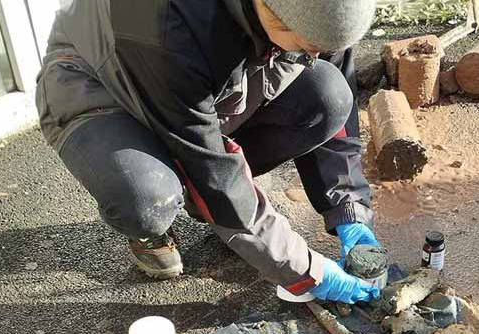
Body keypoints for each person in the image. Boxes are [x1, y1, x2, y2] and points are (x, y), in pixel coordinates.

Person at [35, 0, 382, 304]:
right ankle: (153, 224)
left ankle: (206, 205)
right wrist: (305, 271)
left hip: (200, 90)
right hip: (99, 87)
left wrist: (347, 207)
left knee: (328, 96)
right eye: (308, 47)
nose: (317, 56)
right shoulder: (166, 26)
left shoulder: (319, 14)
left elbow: (334, 99)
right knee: (146, 198)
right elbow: (208, 163)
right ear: (272, 11)